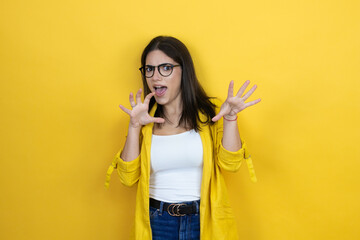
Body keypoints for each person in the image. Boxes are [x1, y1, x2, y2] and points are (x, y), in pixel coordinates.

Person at [105, 36, 260, 240]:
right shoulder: (144, 120)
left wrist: (230, 118)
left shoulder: (211, 113)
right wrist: (134, 127)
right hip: (157, 223)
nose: (155, 77)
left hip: (203, 220)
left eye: (165, 68)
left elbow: (230, 165)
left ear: (183, 70)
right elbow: (127, 178)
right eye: (149, 69)